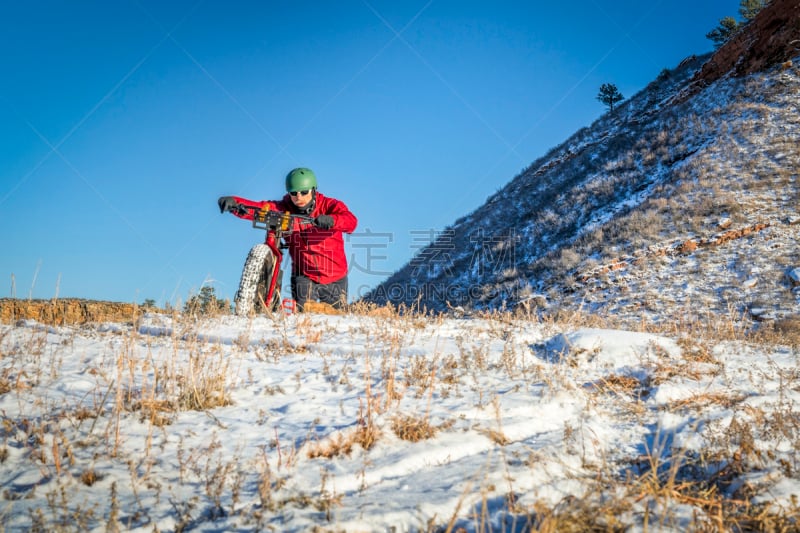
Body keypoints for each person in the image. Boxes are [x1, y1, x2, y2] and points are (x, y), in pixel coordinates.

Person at [218, 167, 358, 311]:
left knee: (335, 318)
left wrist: (332, 220)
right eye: (294, 193)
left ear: (313, 190)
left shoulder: (329, 205)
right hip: (303, 274)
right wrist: (235, 203)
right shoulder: (284, 209)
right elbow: (260, 209)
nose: (299, 197)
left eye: (304, 192)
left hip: (334, 275)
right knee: (303, 316)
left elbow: (351, 221)